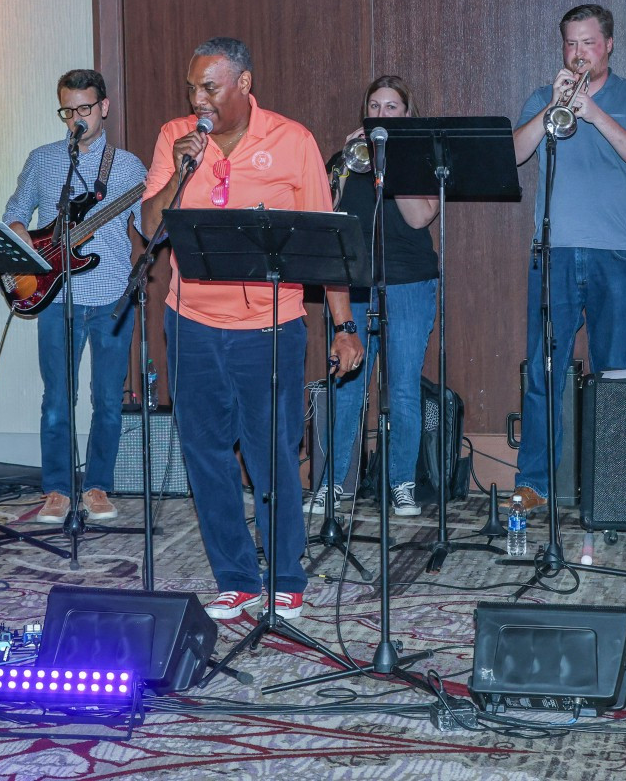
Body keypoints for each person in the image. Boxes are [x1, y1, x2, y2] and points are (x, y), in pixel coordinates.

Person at [141, 37, 364, 621]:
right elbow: (149, 226)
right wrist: (182, 169)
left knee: (272, 454)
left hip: (270, 327)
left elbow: (326, 245)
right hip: (190, 323)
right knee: (206, 455)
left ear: (243, 84)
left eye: (209, 87)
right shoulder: (175, 137)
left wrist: (343, 325)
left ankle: (286, 572)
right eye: (192, 87)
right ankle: (236, 577)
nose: (198, 98)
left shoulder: (293, 141)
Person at [510, 3, 626, 513]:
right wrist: (553, 105)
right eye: (571, 44)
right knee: (543, 372)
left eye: (588, 43)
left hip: (613, 255)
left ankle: (611, 486)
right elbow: (513, 154)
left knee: (612, 372)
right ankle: (534, 483)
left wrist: (592, 113)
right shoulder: (543, 96)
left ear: (609, 45)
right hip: (552, 253)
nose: (578, 54)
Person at [3, 69, 147, 525]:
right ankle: (58, 489)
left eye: (85, 109)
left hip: (110, 298)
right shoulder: (45, 160)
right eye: (69, 111)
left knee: (107, 399)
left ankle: (98, 485)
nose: (77, 119)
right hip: (57, 296)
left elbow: (150, 224)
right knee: (56, 399)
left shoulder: (128, 167)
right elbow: (14, 214)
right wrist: (27, 242)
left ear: (104, 107)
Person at [306, 76, 438, 519]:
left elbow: (419, 217)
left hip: (409, 281)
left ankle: (401, 483)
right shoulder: (347, 159)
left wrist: (393, 162)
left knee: (402, 388)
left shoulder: (421, 160)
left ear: (407, 114)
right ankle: (331, 486)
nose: (382, 115)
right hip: (353, 285)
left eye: (392, 108)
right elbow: (323, 214)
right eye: (375, 107)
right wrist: (345, 163)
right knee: (347, 387)